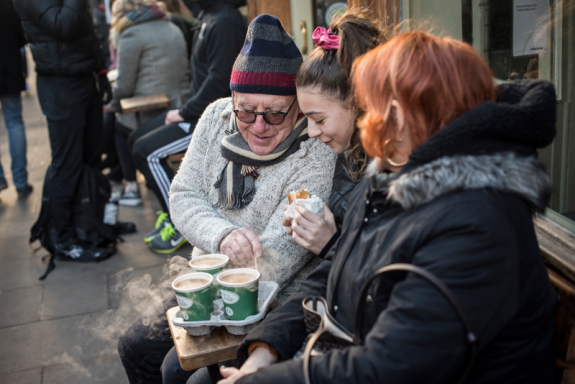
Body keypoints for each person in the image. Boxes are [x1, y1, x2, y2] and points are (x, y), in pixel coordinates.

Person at [219, 32, 557, 384]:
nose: (364, 124)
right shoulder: (393, 180)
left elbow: (394, 366)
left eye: (368, 109)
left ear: (395, 116)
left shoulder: (477, 222)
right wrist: (264, 350)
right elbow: (332, 275)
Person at [117, 14, 337, 384]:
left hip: (268, 295)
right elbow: (183, 194)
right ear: (233, 96)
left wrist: (221, 274)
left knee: (176, 369)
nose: (259, 126)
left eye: (275, 113)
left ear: (298, 105)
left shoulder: (315, 150)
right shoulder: (216, 116)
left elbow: (275, 257)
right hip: (207, 274)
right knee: (134, 346)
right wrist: (220, 235)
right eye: (247, 111)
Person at [130, 0, 247, 253]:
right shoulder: (209, 14)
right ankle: (170, 213)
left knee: (146, 153)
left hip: (211, 121)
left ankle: (178, 224)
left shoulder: (225, 19)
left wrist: (184, 112)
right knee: (135, 139)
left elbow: (218, 81)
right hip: (195, 112)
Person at [14, 0, 113, 261]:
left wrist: (101, 72)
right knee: (67, 164)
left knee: (91, 159)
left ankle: (89, 225)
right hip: (59, 83)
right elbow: (64, 25)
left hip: (84, 77)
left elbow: (86, 29)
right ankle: (65, 239)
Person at [282, 9, 385, 255]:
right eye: (306, 118)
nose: (312, 131)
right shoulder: (351, 151)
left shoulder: (394, 173)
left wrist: (329, 244)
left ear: (359, 102)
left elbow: (384, 275)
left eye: (318, 119)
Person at [108, 0, 189, 206]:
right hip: (181, 103)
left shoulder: (130, 34)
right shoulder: (171, 26)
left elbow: (124, 85)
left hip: (150, 109)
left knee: (117, 125)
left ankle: (132, 187)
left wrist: (113, 105)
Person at [0, 0, 33, 198]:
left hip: (10, 71)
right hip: (9, 70)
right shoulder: (7, 4)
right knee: (14, 122)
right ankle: (20, 181)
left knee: (14, 123)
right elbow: (22, 37)